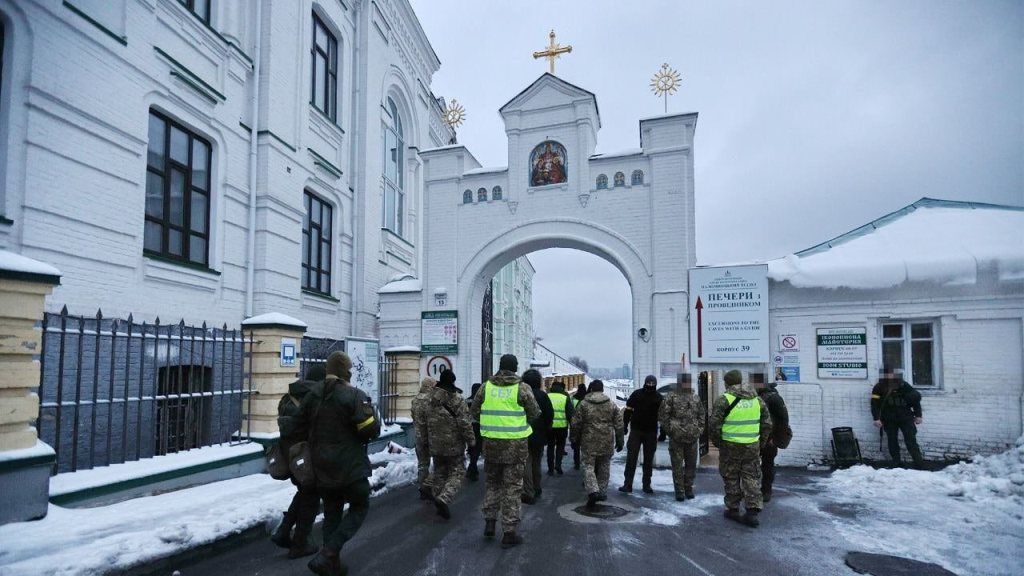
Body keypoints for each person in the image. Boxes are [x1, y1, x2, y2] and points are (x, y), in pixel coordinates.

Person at [298, 351, 381, 576]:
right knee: (360, 505)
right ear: (345, 371)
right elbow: (370, 430)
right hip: (350, 467)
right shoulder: (353, 395)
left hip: (321, 466)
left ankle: (331, 564)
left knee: (332, 511)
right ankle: (329, 552)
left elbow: (299, 425)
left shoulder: (312, 395)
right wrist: (373, 415)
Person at [470, 354, 541, 549]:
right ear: (515, 368)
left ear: (500, 367)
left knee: (492, 484)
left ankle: (490, 522)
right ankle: (509, 532)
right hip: (515, 447)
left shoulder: (486, 387)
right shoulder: (522, 388)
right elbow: (535, 413)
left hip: (491, 445)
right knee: (512, 488)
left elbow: (474, 411)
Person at [271, 365, 325, 559]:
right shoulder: (314, 398)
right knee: (311, 496)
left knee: (304, 493)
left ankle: (283, 532)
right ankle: (300, 543)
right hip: (307, 455)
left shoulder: (288, 397)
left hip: (290, 455)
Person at [710, 370, 772, 528]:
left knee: (731, 476)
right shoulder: (757, 399)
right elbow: (767, 424)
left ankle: (733, 508)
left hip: (730, 446)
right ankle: (752, 512)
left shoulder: (724, 399)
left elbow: (713, 425)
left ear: (727, 383)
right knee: (751, 476)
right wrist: (761, 443)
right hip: (751, 445)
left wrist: (719, 443)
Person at [426, 369, 475, 520]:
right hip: (453, 445)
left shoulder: (429, 398)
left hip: (435, 444)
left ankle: (438, 498)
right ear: (453, 382)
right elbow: (465, 424)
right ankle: (444, 498)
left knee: (440, 472)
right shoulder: (457, 400)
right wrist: (471, 441)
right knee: (458, 472)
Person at [571, 380, 624, 509]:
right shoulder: (611, 404)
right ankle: (602, 492)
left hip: (589, 441)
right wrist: (620, 440)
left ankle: (593, 490)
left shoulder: (583, 404)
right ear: (602, 390)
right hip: (607, 440)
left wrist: (573, 438)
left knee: (588, 466)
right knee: (604, 466)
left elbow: (575, 423)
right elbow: (619, 424)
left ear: (591, 389)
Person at [658, 373, 705, 501]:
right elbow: (663, 416)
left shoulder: (695, 398)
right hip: (676, 438)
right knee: (677, 466)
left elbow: (701, 415)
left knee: (691, 466)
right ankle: (679, 491)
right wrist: (671, 431)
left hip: (692, 438)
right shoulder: (671, 397)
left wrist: (698, 430)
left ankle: (688, 488)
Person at [871, 367, 924, 469]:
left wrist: (918, 415)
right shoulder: (878, 387)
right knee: (892, 441)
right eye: (886, 374)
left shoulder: (903, 385)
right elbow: (874, 404)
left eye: (891, 373)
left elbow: (915, 401)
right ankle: (896, 463)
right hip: (889, 418)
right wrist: (876, 418)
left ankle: (919, 463)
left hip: (906, 417)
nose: (889, 376)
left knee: (911, 440)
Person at [620, 375, 663, 494]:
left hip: (651, 433)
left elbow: (663, 416)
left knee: (648, 461)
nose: (650, 385)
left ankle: (646, 485)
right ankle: (627, 484)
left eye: (652, 383)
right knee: (631, 459)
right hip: (636, 431)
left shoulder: (659, 398)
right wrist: (625, 425)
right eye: (648, 383)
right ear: (645, 383)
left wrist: (663, 432)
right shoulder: (636, 394)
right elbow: (628, 411)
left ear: (655, 384)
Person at [753, 372, 790, 502]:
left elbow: (783, 420)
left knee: (767, 465)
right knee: (753, 465)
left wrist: (775, 438)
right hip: (756, 437)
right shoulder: (757, 396)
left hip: (770, 439)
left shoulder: (774, 398)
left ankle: (766, 490)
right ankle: (754, 490)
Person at [521, 369, 553, 503]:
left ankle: (528, 490)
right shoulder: (543, 395)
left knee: (526, 462)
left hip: (523, 432)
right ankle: (537, 487)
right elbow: (549, 415)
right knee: (537, 462)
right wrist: (546, 430)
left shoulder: (521, 394)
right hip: (539, 434)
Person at [411, 376, 437, 500]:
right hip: (431, 436)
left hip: (418, 437)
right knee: (439, 463)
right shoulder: (431, 400)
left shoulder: (415, 400)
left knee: (422, 464)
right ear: (430, 386)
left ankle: (422, 488)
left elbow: (413, 416)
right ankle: (430, 487)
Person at [546, 381, 575, 475]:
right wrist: (573, 428)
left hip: (549, 427)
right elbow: (570, 414)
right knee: (560, 447)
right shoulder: (565, 398)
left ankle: (550, 469)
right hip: (562, 427)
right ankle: (558, 464)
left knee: (550, 447)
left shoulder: (547, 396)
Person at [465, 383, 483, 481]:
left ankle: (472, 468)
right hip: (479, 426)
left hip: (469, 426)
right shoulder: (482, 402)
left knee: (472, 448)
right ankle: (472, 467)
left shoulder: (466, 400)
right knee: (477, 447)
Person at [571, 383, 587, 470]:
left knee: (576, 446)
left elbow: (571, 410)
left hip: (576, 424)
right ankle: (585, 462)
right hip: (586, 426)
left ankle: (576, 463)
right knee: (585, 446)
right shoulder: (587, 398)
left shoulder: (574, 398)